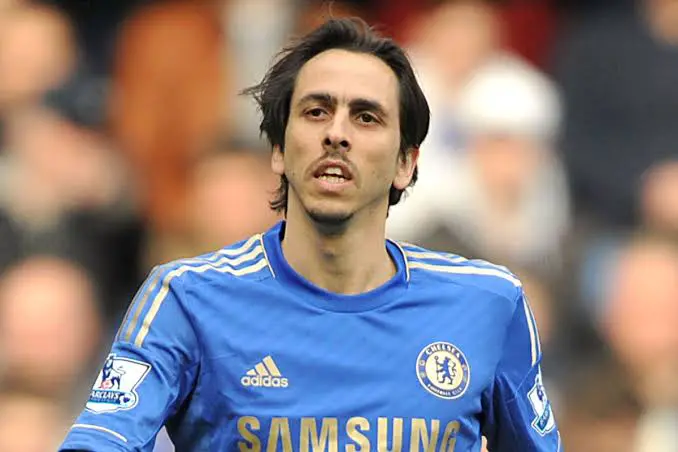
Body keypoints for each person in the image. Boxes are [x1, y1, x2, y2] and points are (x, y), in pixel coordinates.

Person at [59, 18, 561, 451]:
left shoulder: (487, 304)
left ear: (406, 164)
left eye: (366, 117)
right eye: (316, 111)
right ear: (279, 150)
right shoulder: (187, 298)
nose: (336, 133)